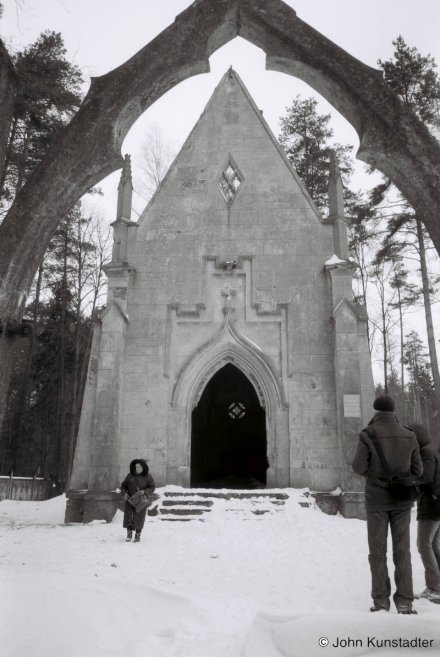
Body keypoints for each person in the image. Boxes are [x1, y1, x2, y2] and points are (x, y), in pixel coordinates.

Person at [352, 395, 423, 614]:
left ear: (375, 412)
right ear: (393, 412)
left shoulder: (368, 434)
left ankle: (381, 602)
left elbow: (358, 467)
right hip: (402, 502)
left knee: (377, 552)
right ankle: (404, 602)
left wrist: (377, 476)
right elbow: (418, 471)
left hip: (376, 501)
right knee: (403, 552)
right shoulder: (409, 435)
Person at [408, 424, 440, 603]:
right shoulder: (433, 449)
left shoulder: (426, 452)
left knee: (424, 545)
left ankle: (434, 588)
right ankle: (437, 586)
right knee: (434, 545)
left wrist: (409, 481)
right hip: (436, 503)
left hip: (431, 505)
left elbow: (425, 477)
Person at [120, 459, 155, 542]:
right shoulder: (129, 476)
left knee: (139, 517)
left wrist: (144, 491)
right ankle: (129, 534)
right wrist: (124, 493)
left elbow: (152, 487)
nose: (137, 468)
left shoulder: (147, 476)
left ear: (143, 467)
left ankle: (138, 535)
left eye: (139, 467)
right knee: (129, 516)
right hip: (130, 500)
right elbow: (123, 486)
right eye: (136, 467)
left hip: (141, 501)